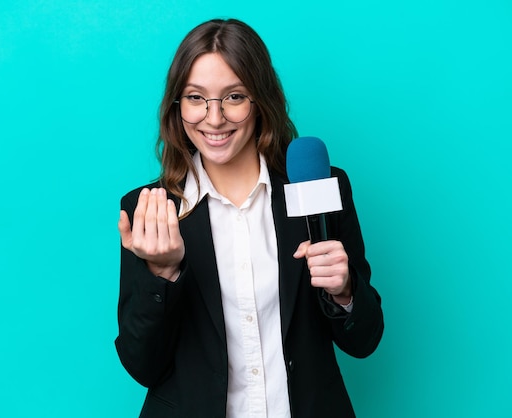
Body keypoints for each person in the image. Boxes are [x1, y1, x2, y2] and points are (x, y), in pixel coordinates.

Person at [115, 18, 384, 418]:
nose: (214, 118)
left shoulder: (320, 188)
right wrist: (162, 275)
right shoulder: (153, 210)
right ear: (177, 106)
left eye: (234, 96)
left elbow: (364, 340)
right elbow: (142, 365)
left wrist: (344, 292)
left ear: (261, 100)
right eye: (195, 97)